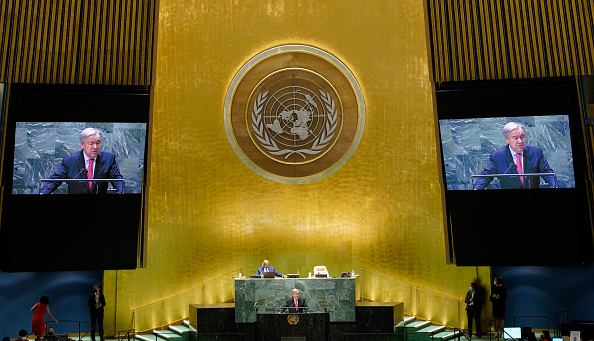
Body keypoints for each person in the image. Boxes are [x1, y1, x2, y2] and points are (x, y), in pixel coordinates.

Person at [39, 128, 124, 194]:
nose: (95, 147)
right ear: (82, 144)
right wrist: (43, 192)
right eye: (91, 143)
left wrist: (120, 191)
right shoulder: (70, 161)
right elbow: (55, 180)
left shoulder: (108, 158)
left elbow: (117, 178)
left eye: (98, 143)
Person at [473, 122, 555, 190]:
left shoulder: (535, 152)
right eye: (515, 138)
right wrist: (476, 188)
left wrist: (554, 185)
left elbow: (547, 172)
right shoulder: (497, 156)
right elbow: (486, 176)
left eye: (522, 137)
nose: (520, 141)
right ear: (507, 139)